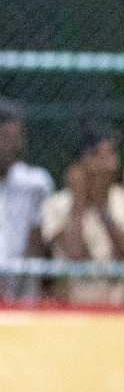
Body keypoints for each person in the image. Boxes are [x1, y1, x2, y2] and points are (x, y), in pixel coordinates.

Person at [39, 119, 124, 304]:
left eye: (111, 155)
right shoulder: (56, 205)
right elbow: (75, 254)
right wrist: (78, 203)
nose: (106, 165)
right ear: (80, 162)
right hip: (74, 309)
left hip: (122, 307)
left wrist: (104, 210)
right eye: (97, 156)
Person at [0, 100, 54, 301]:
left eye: (17, 137)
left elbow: (37, 241)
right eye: (5, 138)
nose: (14, 146)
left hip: (21, 292)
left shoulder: (35, 182)